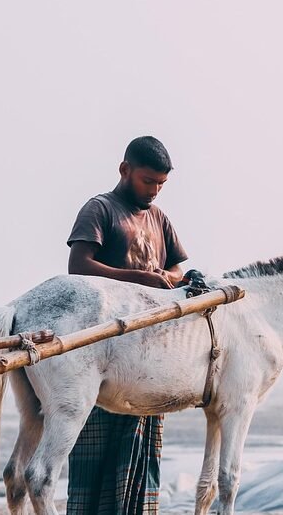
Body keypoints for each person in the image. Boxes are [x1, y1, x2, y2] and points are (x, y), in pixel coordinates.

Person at [65, 135, 188, 515]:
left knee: (140, 456)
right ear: (125, 170)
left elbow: (176, 269)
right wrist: (141, 279)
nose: (154, 191)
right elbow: (78, 267)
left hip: (149, 361)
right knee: (93, 459)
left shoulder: (160, 219)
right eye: (148, 181)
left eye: (161, 185)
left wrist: (170, 279)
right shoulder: (100, 210)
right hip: (100, 357)